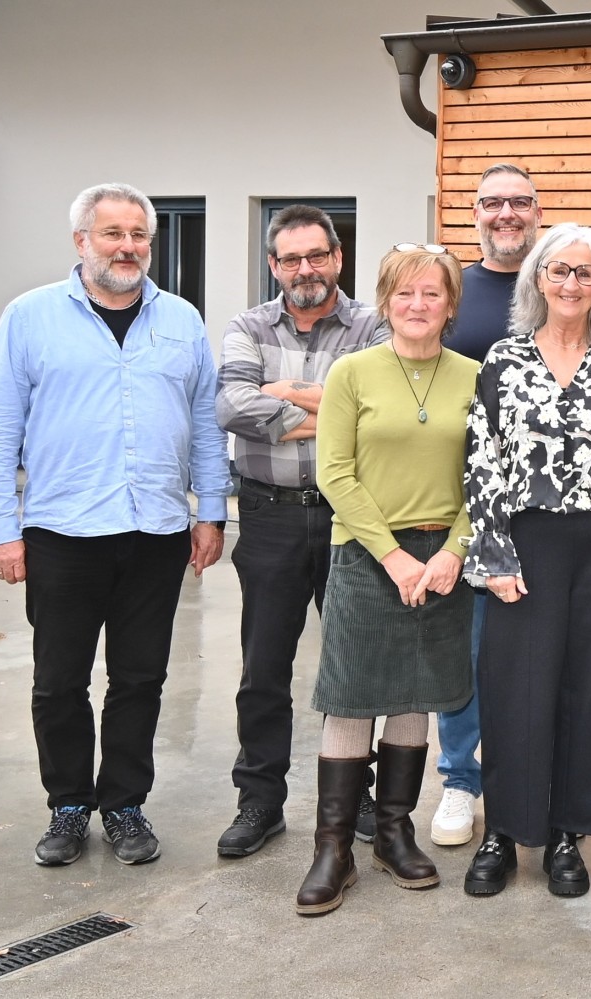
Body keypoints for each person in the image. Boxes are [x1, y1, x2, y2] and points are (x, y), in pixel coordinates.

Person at [0, 183, 228, 868]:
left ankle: (123, 803)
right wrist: (1, 526)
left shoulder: (181, 320)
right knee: (59, 680)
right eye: (112, 233)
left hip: (156, 531)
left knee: (141, 677)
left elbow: (204, 422)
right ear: (82, 241)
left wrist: (211, 509)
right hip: (63, 532)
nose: (128, 246)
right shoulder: (29, 317)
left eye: (139, 234)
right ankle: (67, 804)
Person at [460, 224, 591, 899]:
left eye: (585, 273)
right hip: (526, 544)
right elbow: (481, 460)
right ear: (538, 280)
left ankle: (565, 834)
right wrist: (491, 551)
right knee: (515, 687)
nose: (571, 284)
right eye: (559, 271)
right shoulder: (504, 358)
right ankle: (504, 831)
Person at [294, 244, 481, 916]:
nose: (417, 305)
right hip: (368, 554)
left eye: (432, 293)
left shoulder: (474, 377)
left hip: (442, 558)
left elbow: (482, 479)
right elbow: (334, 473)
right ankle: (334, 846)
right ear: (385, 300)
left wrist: (452, 550)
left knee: (415, 694)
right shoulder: (353, 373)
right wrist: (393, 556)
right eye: (404, 293)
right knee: (350, 697)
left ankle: (395, 831)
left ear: (450, 304)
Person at [214, 205, 383, 858]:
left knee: (356, 666)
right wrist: (333, 407)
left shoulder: (373, 324)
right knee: (264, 667)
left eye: (317, 255)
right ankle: (260, 800)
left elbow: (379, 410)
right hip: (270, 514)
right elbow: (231, 404)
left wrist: (282, 394)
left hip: (354, 517)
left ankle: (356, 796)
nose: (305, 269)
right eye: (290, 258)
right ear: (273, 265)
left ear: (338, 257)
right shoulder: (248, 325)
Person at [431, 162, 547, 848]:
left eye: (520, 202)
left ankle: (532, 775)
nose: (506, 213)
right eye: (492, 202)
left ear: (539, 211)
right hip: (467, 502)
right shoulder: (454, 291)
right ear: (474, 213)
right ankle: (459, 779)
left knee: (542, 652)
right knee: (466, 652)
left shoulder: (563, 284)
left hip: (553, 506)